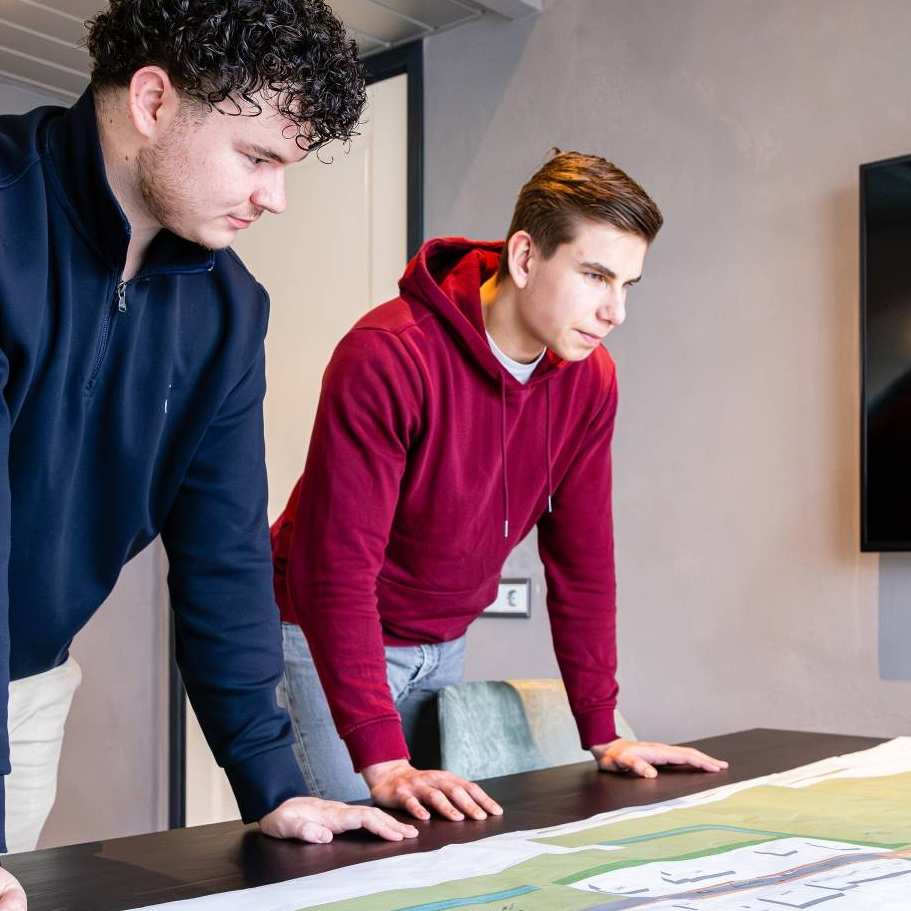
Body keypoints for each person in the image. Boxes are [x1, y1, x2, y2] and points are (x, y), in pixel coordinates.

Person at [0, 0, 417, 905]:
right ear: (153, 100)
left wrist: (274, 782)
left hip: (29, 681)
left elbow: (225, 556)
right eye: (258, 157)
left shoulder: (229, 315)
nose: (276, 197)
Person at [272, 151, 729, 824]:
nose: (614, 311)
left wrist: (600, 726)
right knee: (353, 855)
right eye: (595, 275)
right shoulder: (389, 356)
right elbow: (335, 570)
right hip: (316, 628)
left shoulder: (589, 378)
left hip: (439, 640)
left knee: (432, 843)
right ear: (523, 257)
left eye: (628, 284)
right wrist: (382, 756)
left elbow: (581, 561)